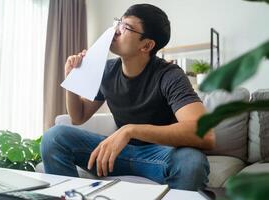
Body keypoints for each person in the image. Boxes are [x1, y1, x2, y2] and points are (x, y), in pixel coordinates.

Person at [41, 4, 215, 191]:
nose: (115, 31)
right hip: (118, 155)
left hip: (159, 155)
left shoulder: (169, 74)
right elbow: (78, 117)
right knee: (54, 137)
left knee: (192, 162)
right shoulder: (107, 70)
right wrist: (72, 80)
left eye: (126, 27)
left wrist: (130, 130)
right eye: (118, 23)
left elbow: (205, 135)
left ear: (147, 45)